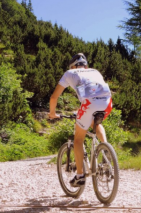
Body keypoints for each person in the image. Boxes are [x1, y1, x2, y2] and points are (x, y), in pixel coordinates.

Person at [48, 53, 112, 187]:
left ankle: (80, 175)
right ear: (86, 65)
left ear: (72, 66)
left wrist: (52, 113)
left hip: (89, 103)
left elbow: (54, 98)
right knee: (96, 122)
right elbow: (93, 92)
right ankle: (106, 148)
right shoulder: (95, 71)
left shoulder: (69, 73)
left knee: (78, 139)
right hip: (107, 102)